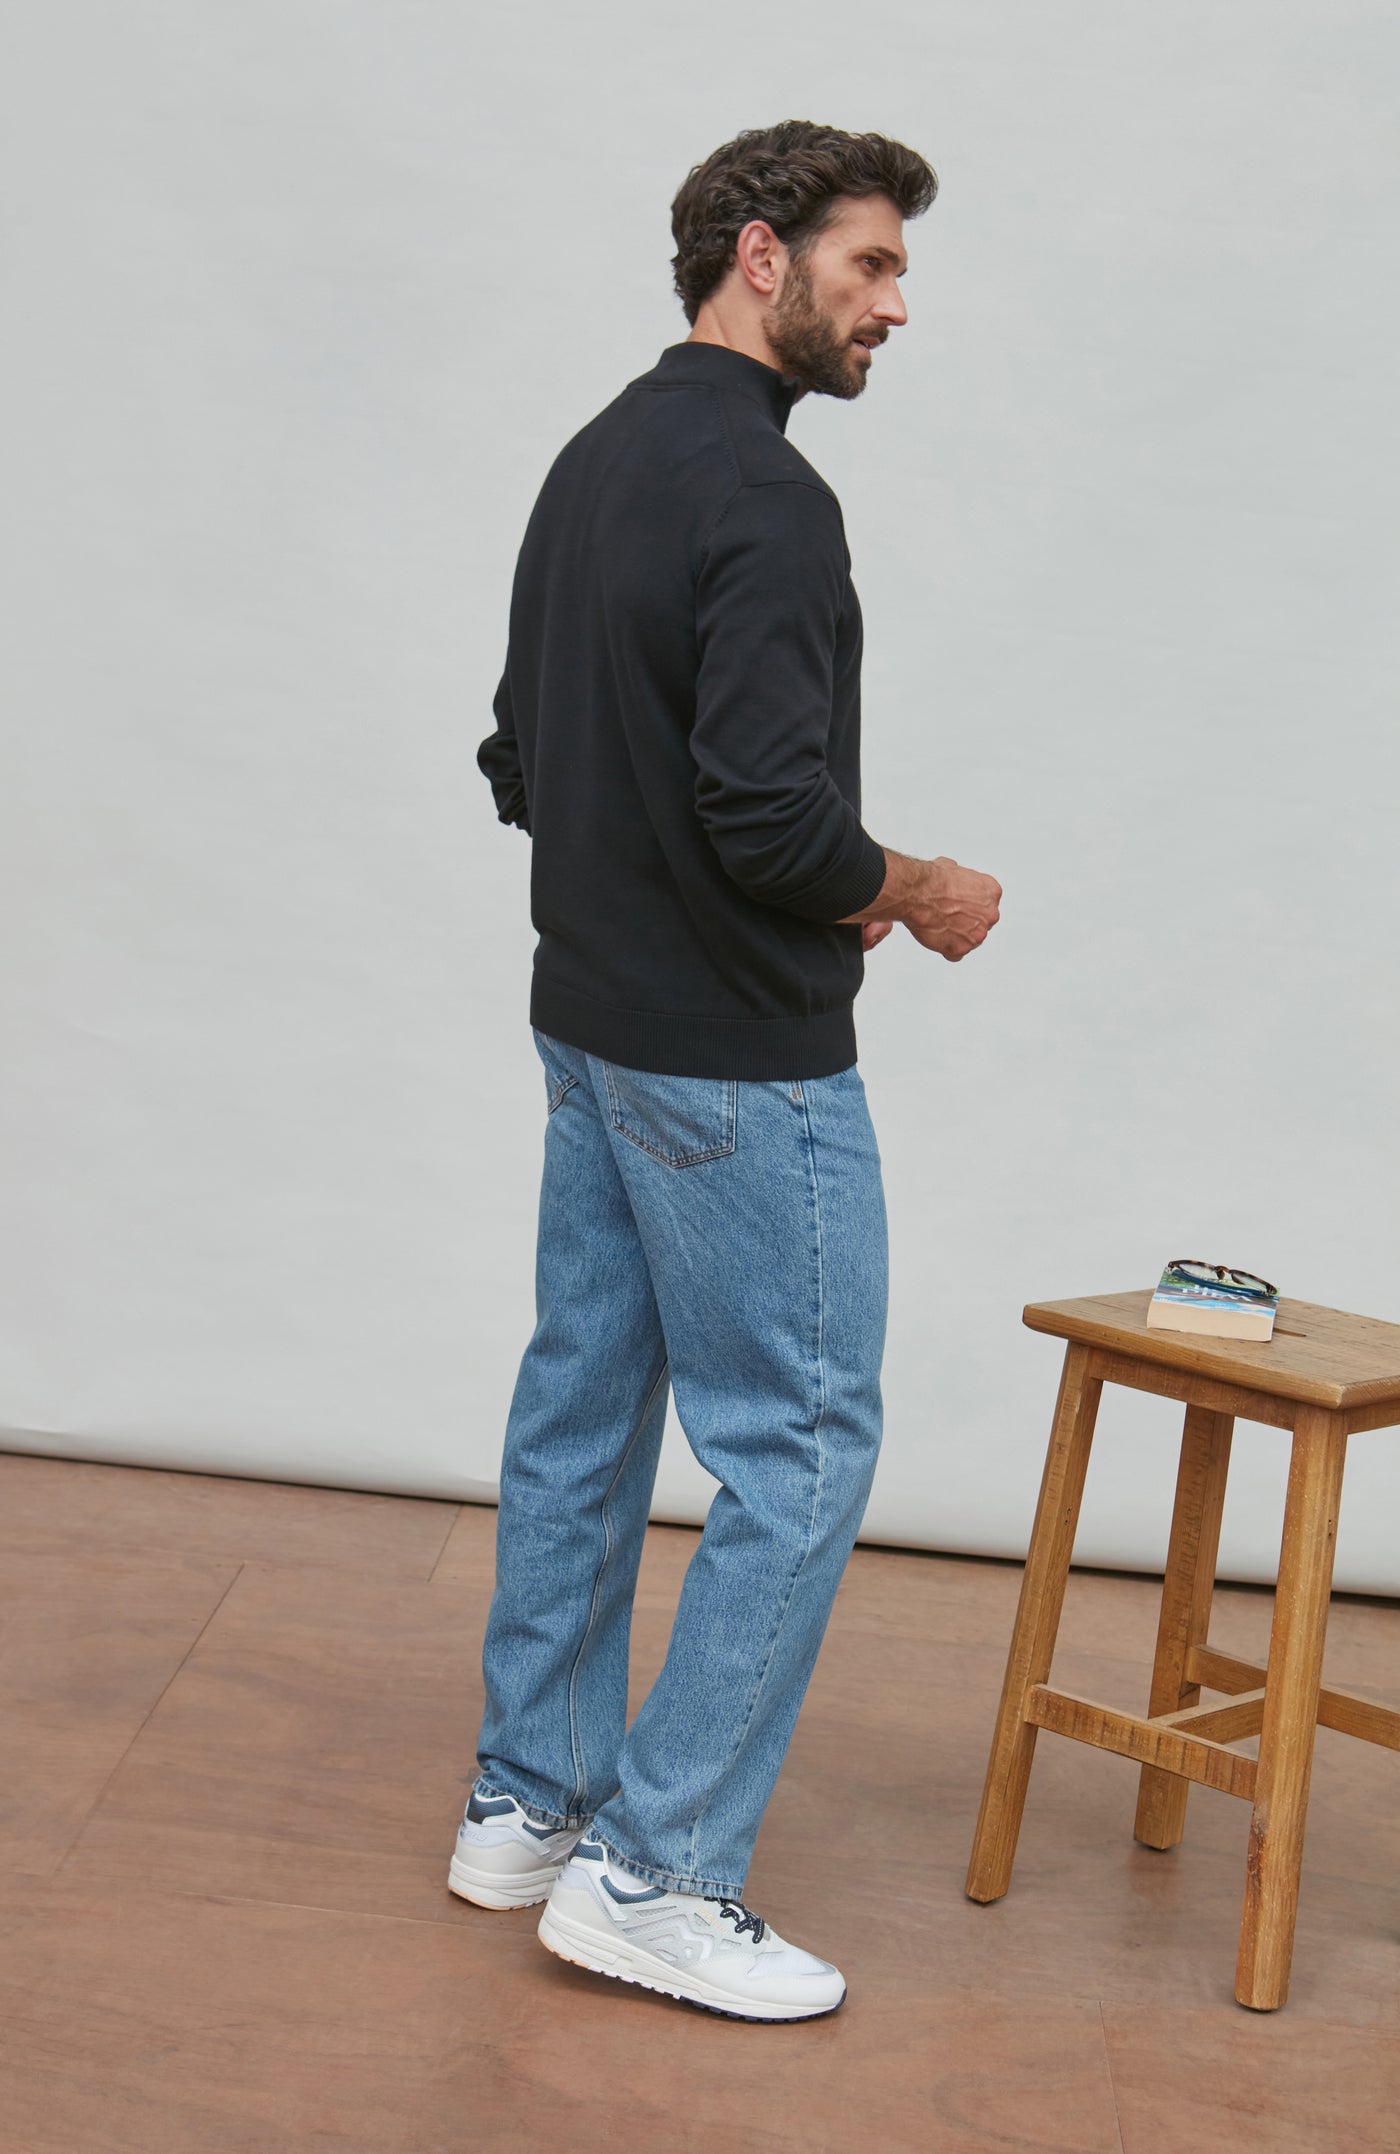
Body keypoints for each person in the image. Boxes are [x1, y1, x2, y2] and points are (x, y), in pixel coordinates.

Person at [453, 119, 1002, 2023]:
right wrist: (909, 887)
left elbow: (522, 753)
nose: (894, 304)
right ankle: (659, 1870)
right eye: (868, 266)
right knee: (801, 1443)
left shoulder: (597, 456)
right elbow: (771, 816)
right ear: (758, 258)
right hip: (727, 1060)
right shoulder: (768, 502)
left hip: (589, 1022)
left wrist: (682, 872)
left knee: (584, 1410)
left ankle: (526, 1802)